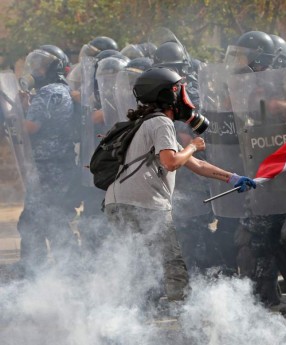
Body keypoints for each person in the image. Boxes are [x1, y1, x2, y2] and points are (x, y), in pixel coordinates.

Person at [104, 67, 255, 305]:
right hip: (145, 204)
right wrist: (193, 145)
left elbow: (195, 165)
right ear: (167, 95)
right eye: (178, 90)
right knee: (171, 262)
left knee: (135, 260)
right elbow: (172, 162)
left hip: (117, 202)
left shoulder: (145, 122)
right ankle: (183, 312)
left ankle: (131, 313)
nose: (183, 97)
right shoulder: (162, 123)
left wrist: (233, 178)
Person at [17, 45, 80, 273]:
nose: (36, 70)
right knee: (54, 219)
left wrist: (12, 116)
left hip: (47, 168)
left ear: (54, 68)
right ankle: (69, 269)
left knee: (34, 222)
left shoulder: (47, 93)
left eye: (41, 66)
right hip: (59, 166)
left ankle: (34, 271)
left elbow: (31, 127)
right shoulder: (62, 90)